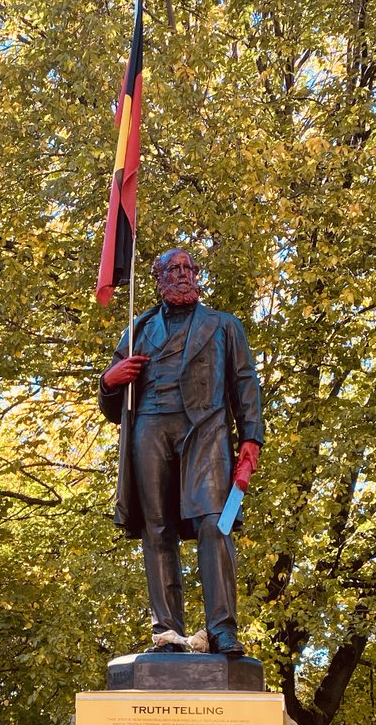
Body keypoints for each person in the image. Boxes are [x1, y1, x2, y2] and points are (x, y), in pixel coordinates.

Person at [99, 248, 264, 656]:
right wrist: (109, 380)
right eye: (173, 269)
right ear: (158, 278)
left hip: (205, 431)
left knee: (214, 523)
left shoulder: (224, 326)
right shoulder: (138, 330)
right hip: (150, 430)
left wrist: (251, 439)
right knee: (157, 529)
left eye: (189, 268)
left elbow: (245, 384)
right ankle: (167, 631)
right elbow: (112, 408)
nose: (183, 274)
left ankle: (222, 629)